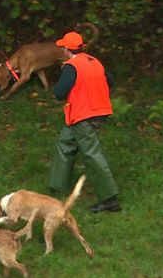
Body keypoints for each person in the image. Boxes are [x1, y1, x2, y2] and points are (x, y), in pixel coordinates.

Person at [49, 30, 121, 213]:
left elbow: (59, 93)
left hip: (84, 115)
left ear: (67, 49)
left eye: (63, 48)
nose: (62, 51)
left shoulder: (71, 66)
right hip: (97, 112)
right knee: (65, 142)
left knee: (91, 154)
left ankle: (109, 199)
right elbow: (110, 81)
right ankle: (57, 188)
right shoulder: (94, 61)